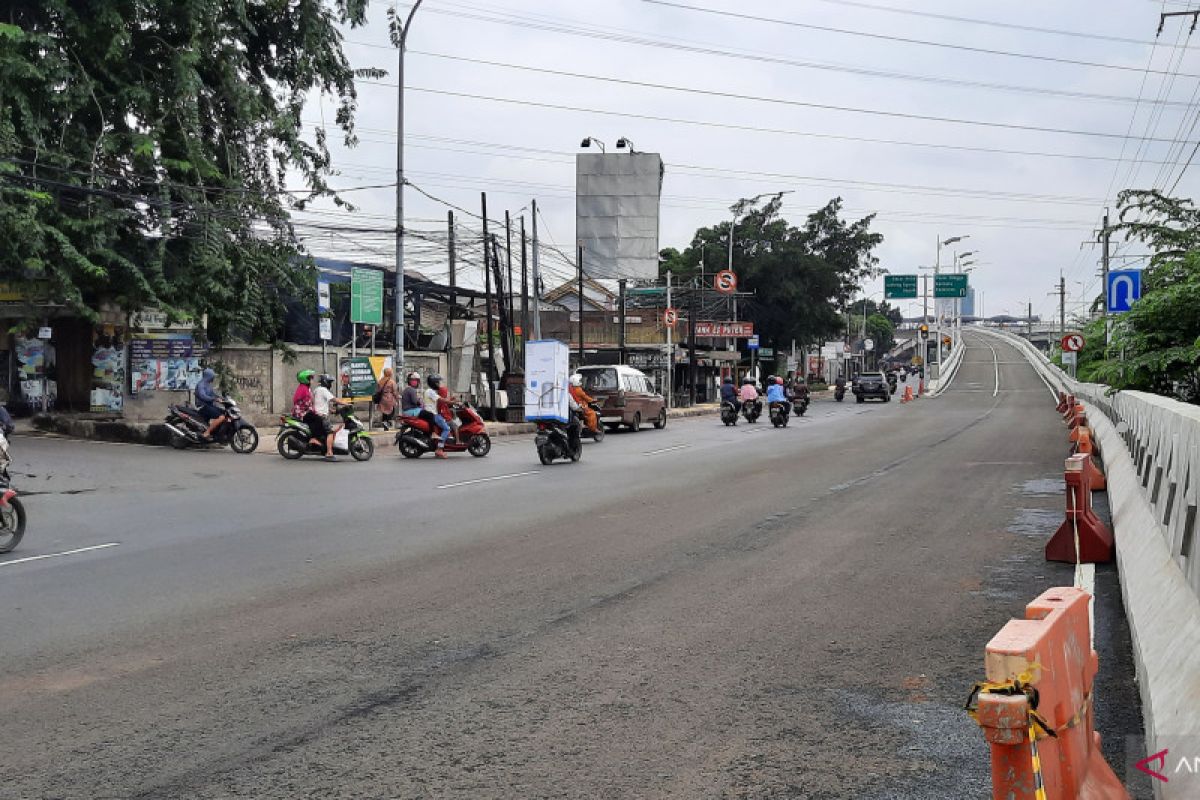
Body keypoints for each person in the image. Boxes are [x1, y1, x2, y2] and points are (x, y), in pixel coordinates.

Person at [423, 374, 452, 458]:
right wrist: (454, 403)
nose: (439, 384)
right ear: (434, 383)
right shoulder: (431, 392)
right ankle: (439, 449)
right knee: (447, 428)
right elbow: (442, 400)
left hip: (431, 413)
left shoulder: (428, 391)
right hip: (433, 414)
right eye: (438, 382)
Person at [313, 373, 339, 461]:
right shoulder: (323, 390)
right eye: (329, 382)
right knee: (330, 432)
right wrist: (345, 403)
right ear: (325, 382)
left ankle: (325, 449)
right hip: (322, 416)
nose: (330, 384)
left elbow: (320, 403)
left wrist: (332, 410)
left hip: (318, 414)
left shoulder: (317, 389)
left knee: (326, 433)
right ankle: (329, 453)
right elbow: (334, 399)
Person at [196, 368, 227, 440]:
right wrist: (214, 399)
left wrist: (223, 398)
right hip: (202, 406)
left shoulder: (208, 385)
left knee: (225, 413)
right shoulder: (201, 384)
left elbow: (213, 395)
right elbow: (203, 396)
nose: (213, 378)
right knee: (221, 417)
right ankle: (207, 432)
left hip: (209, 406)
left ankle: (218, 434)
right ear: (209, 376)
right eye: (213, 376)